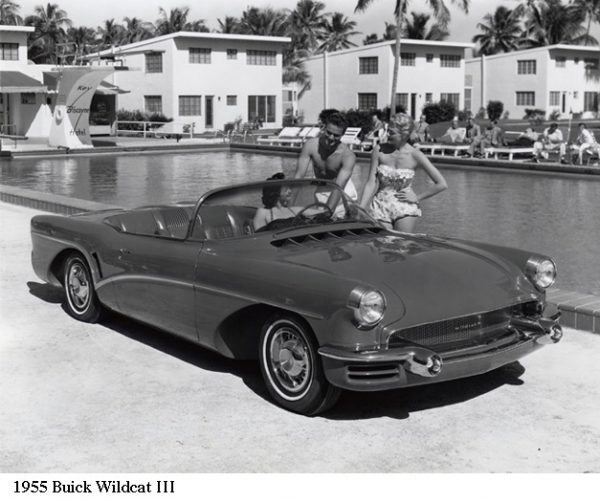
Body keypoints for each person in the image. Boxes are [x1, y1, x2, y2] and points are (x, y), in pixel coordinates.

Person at [360, 113, 448, 233]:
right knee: (382, 246)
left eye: (392, 132)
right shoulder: (379, 150)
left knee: (401, 246)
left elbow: (441, 184)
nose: (387, 135)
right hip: (380, 205)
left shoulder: (415, 155)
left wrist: (417, 197)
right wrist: (360, 208)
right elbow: (371, 183)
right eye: (388, 131)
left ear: (404, 134)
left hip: (404, 206)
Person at [294, 109, 358, 204]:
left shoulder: (348, 156)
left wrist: (328, 212)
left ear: (342, 135)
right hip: (322, 189)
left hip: (343, 191)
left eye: (336, 135)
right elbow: (298, 176)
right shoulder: (310, 146)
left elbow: (339, 188)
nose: (331, 138)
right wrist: (288, 208)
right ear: (324, 128)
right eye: (329, 133)